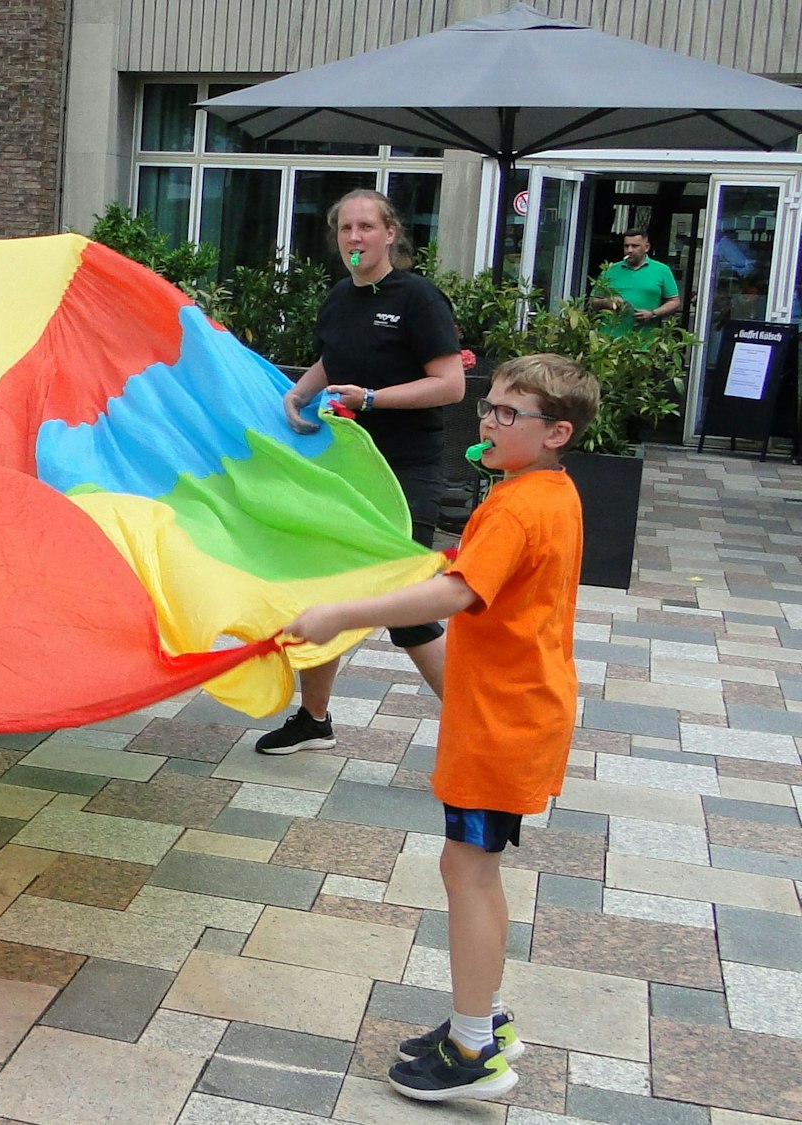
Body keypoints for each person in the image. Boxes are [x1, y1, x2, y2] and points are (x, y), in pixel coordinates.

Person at [285, 354, 597, 1102]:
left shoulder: (521, 506)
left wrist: (338, 614)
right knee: (473, 866)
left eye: (507, 415)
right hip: (517, 710)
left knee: (468, 870)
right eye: (488, 407)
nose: (488, 421)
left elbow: (458, 594)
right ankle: (483, 1019)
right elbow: (482, 570)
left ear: (557, 432)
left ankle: (472, 1049)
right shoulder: (544, 493)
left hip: (502, 719)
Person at [261, 188, 466, 754]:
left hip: (408, 470)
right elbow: (336, 356)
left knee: (409, 607)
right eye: (346, 229)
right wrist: (298, 395)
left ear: (390, 233)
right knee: (326, 588)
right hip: (348, 467)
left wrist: (373, 399)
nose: (356, 239)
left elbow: (449, 384)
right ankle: (314, 720)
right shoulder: (338, 299)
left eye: (366, 228)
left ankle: (478, 733)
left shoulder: (418, 298)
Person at [589, 231, 680, 336]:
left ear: (647, 247)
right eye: (626, 246)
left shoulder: (662, 270)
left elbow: (674, 302)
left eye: (635, 246)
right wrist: (608, 302)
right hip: (610, 340)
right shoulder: (610, 270)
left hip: (644, 342)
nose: (629, 250)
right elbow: (592, 302)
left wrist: (652, 314)